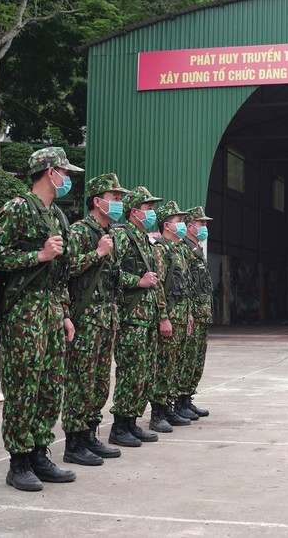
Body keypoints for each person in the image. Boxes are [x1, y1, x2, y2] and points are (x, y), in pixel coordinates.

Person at [0, 147, 82, 491]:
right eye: (64, 171)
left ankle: (39, 453)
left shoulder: (58, 215)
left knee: (49, 385)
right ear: (49, 172)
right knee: (24, 385)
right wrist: (38, 254)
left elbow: (60, 273)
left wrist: (64, 312)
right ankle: (18, 461)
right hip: (23, 309)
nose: (67, 178)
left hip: (50, 310)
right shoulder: (16, 209)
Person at [61, 173, 126, 464]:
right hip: (85, 318)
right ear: (97, 201)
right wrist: (97, 253)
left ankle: (89, 434)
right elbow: (66, 269)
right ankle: (74, 443)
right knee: (80, 382)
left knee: (100, 381)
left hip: (105, 318)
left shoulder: (110, 234)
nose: (119, 203)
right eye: (115, 198)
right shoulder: (79, 232)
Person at [109, 186, 165, 446]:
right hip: (131, 317)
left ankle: (131, 421)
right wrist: (138, 281)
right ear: (134, 212)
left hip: (147, 317)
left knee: (143, 372)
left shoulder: (145, 240)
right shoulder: (121, 238)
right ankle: (119, 426)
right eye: (148, 208)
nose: (153, 213)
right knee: (130, 372)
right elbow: (110, 274)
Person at [147, 201, 194, 430]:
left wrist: (189, 314)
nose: (183, 225)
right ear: (167, 225)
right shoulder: (161, 250)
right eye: (179, 221)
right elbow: (157, 286)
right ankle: (158, 413)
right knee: (164, 365)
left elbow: (184, 285)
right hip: (169, 316)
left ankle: (170, 406)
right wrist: (163, 317)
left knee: (176, 365)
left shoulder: (179, 250)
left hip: (181, 315)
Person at [180, 205, 214, 418]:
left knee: (197, 360)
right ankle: (180, 401)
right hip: (192, 312)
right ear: (190, 226)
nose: (204, 227)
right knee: (188, 358)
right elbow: (186, 284)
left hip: (202, 312)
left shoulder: (196, 249)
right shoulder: (184, 249)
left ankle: (187, 398)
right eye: (201, 224)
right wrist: (190, 312)